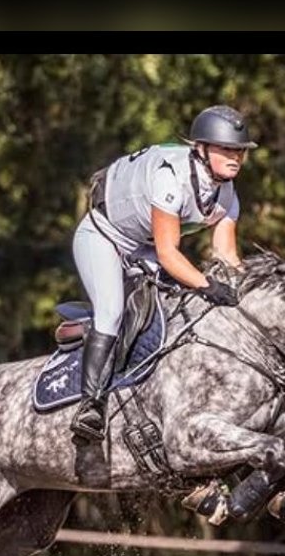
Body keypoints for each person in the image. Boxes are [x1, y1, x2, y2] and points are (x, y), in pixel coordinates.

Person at [69, 104, 257, 443]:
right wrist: (206, 284)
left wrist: (245, 296)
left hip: (146, 248)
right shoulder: (171, 177)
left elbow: (227, 255)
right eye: (227, 149)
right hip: (103, 237)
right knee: (111, 312)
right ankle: (90, 408)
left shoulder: (227, 194)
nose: (236, 157)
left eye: (240, 151)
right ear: (201, 148)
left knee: (181, 312)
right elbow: (169, 253)